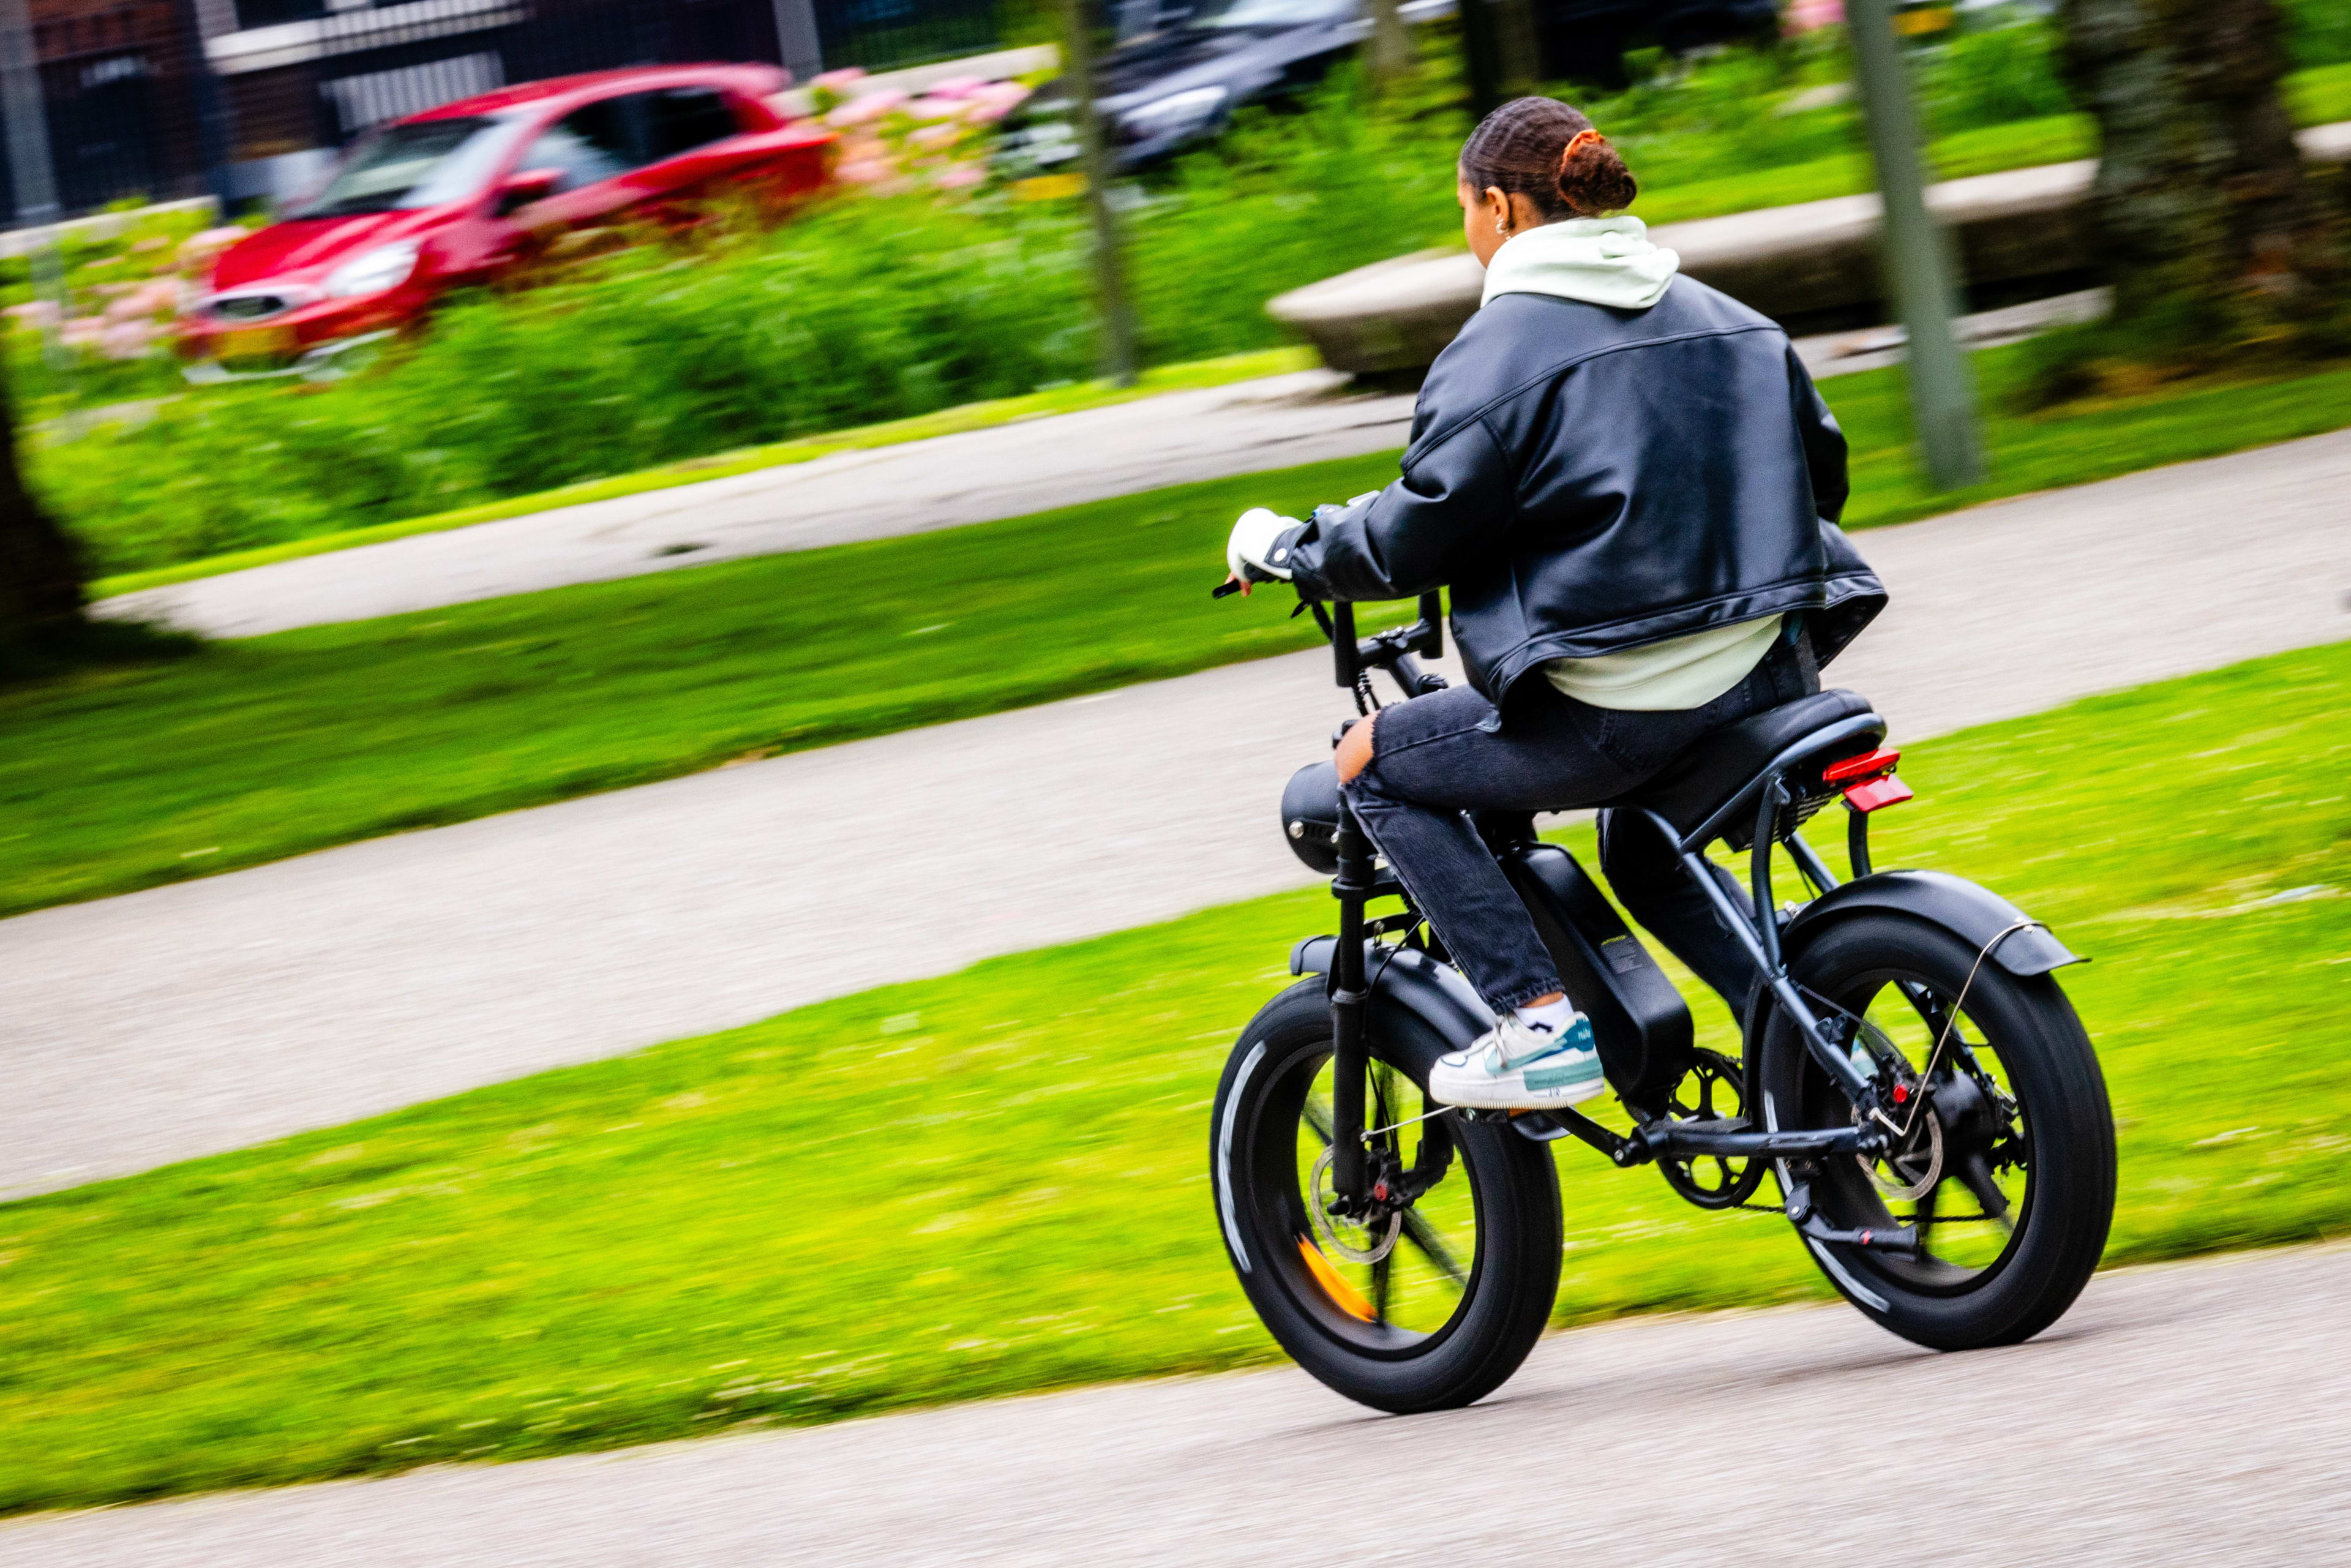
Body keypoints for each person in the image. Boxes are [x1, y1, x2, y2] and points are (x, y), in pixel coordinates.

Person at [1223, 96, 1885, 1112]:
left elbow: (1410, 537)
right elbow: (1818, 479)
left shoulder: (1499, 351)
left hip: (1619, 709)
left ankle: (1537, 1020)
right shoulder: (1733, 320)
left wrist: (1294, 549)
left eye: (1467, 214)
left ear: (1502, 208)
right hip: (1766, 677)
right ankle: (1818, 1062)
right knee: (1641, 845)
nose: (1469, 239)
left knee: (1371, 766)